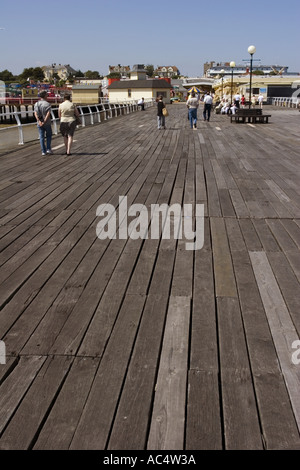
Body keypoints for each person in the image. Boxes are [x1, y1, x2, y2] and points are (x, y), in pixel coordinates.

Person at [34, 90, 53, 156]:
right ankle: (48, 149)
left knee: (41, 137)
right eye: (47, 95)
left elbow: (35, 113)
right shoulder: (47, 104)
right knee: (49, 136)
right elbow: (48, 114)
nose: (47, 96)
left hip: (39, 123)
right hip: (47, 123)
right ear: (45, 95)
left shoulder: (36, 104)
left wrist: (39, 121)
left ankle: (43, 151)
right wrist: (44, 121)